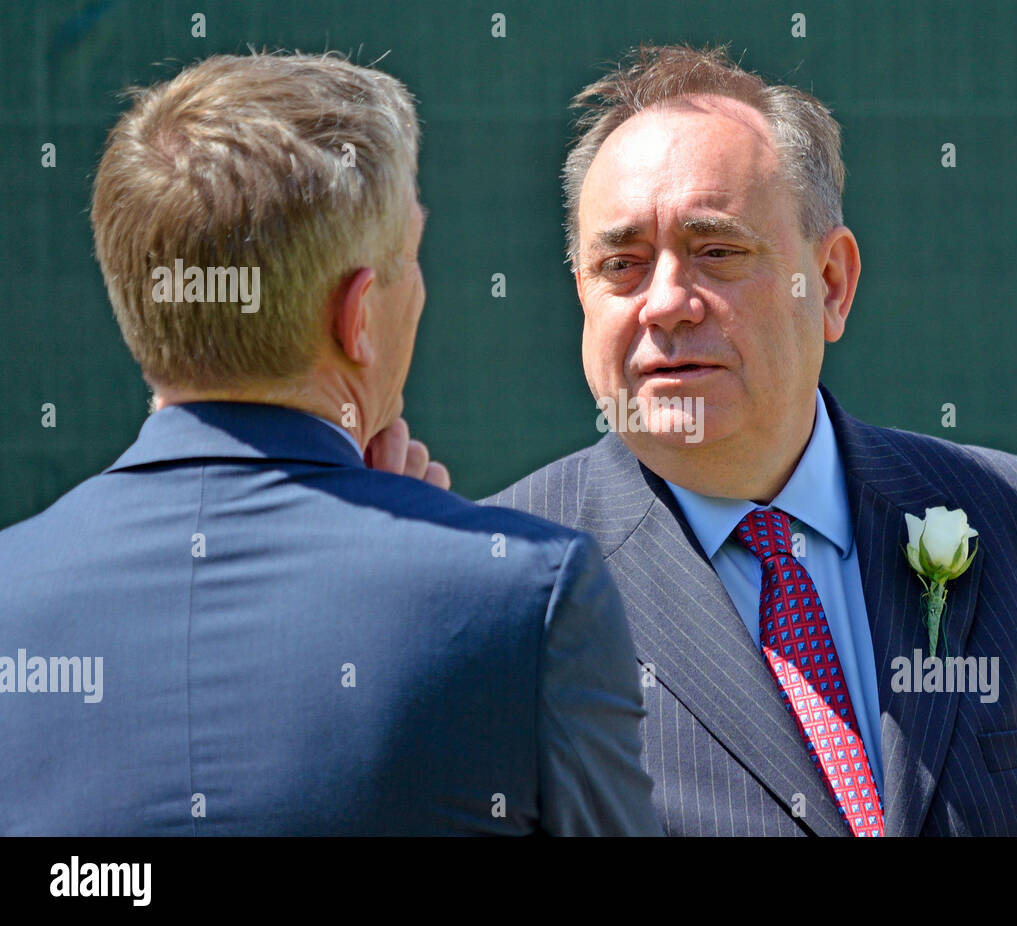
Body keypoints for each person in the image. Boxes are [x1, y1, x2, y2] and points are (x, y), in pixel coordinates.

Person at [477, 44, 1017, 836]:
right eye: (622, 263)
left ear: (832, 283)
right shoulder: (497, 587)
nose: (665, 302)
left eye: (717, 251)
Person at [0, 52, 660, 836]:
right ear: (356, 316)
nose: (420, 287)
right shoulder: (531, 599)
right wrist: (453, 588)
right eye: (409, 256)